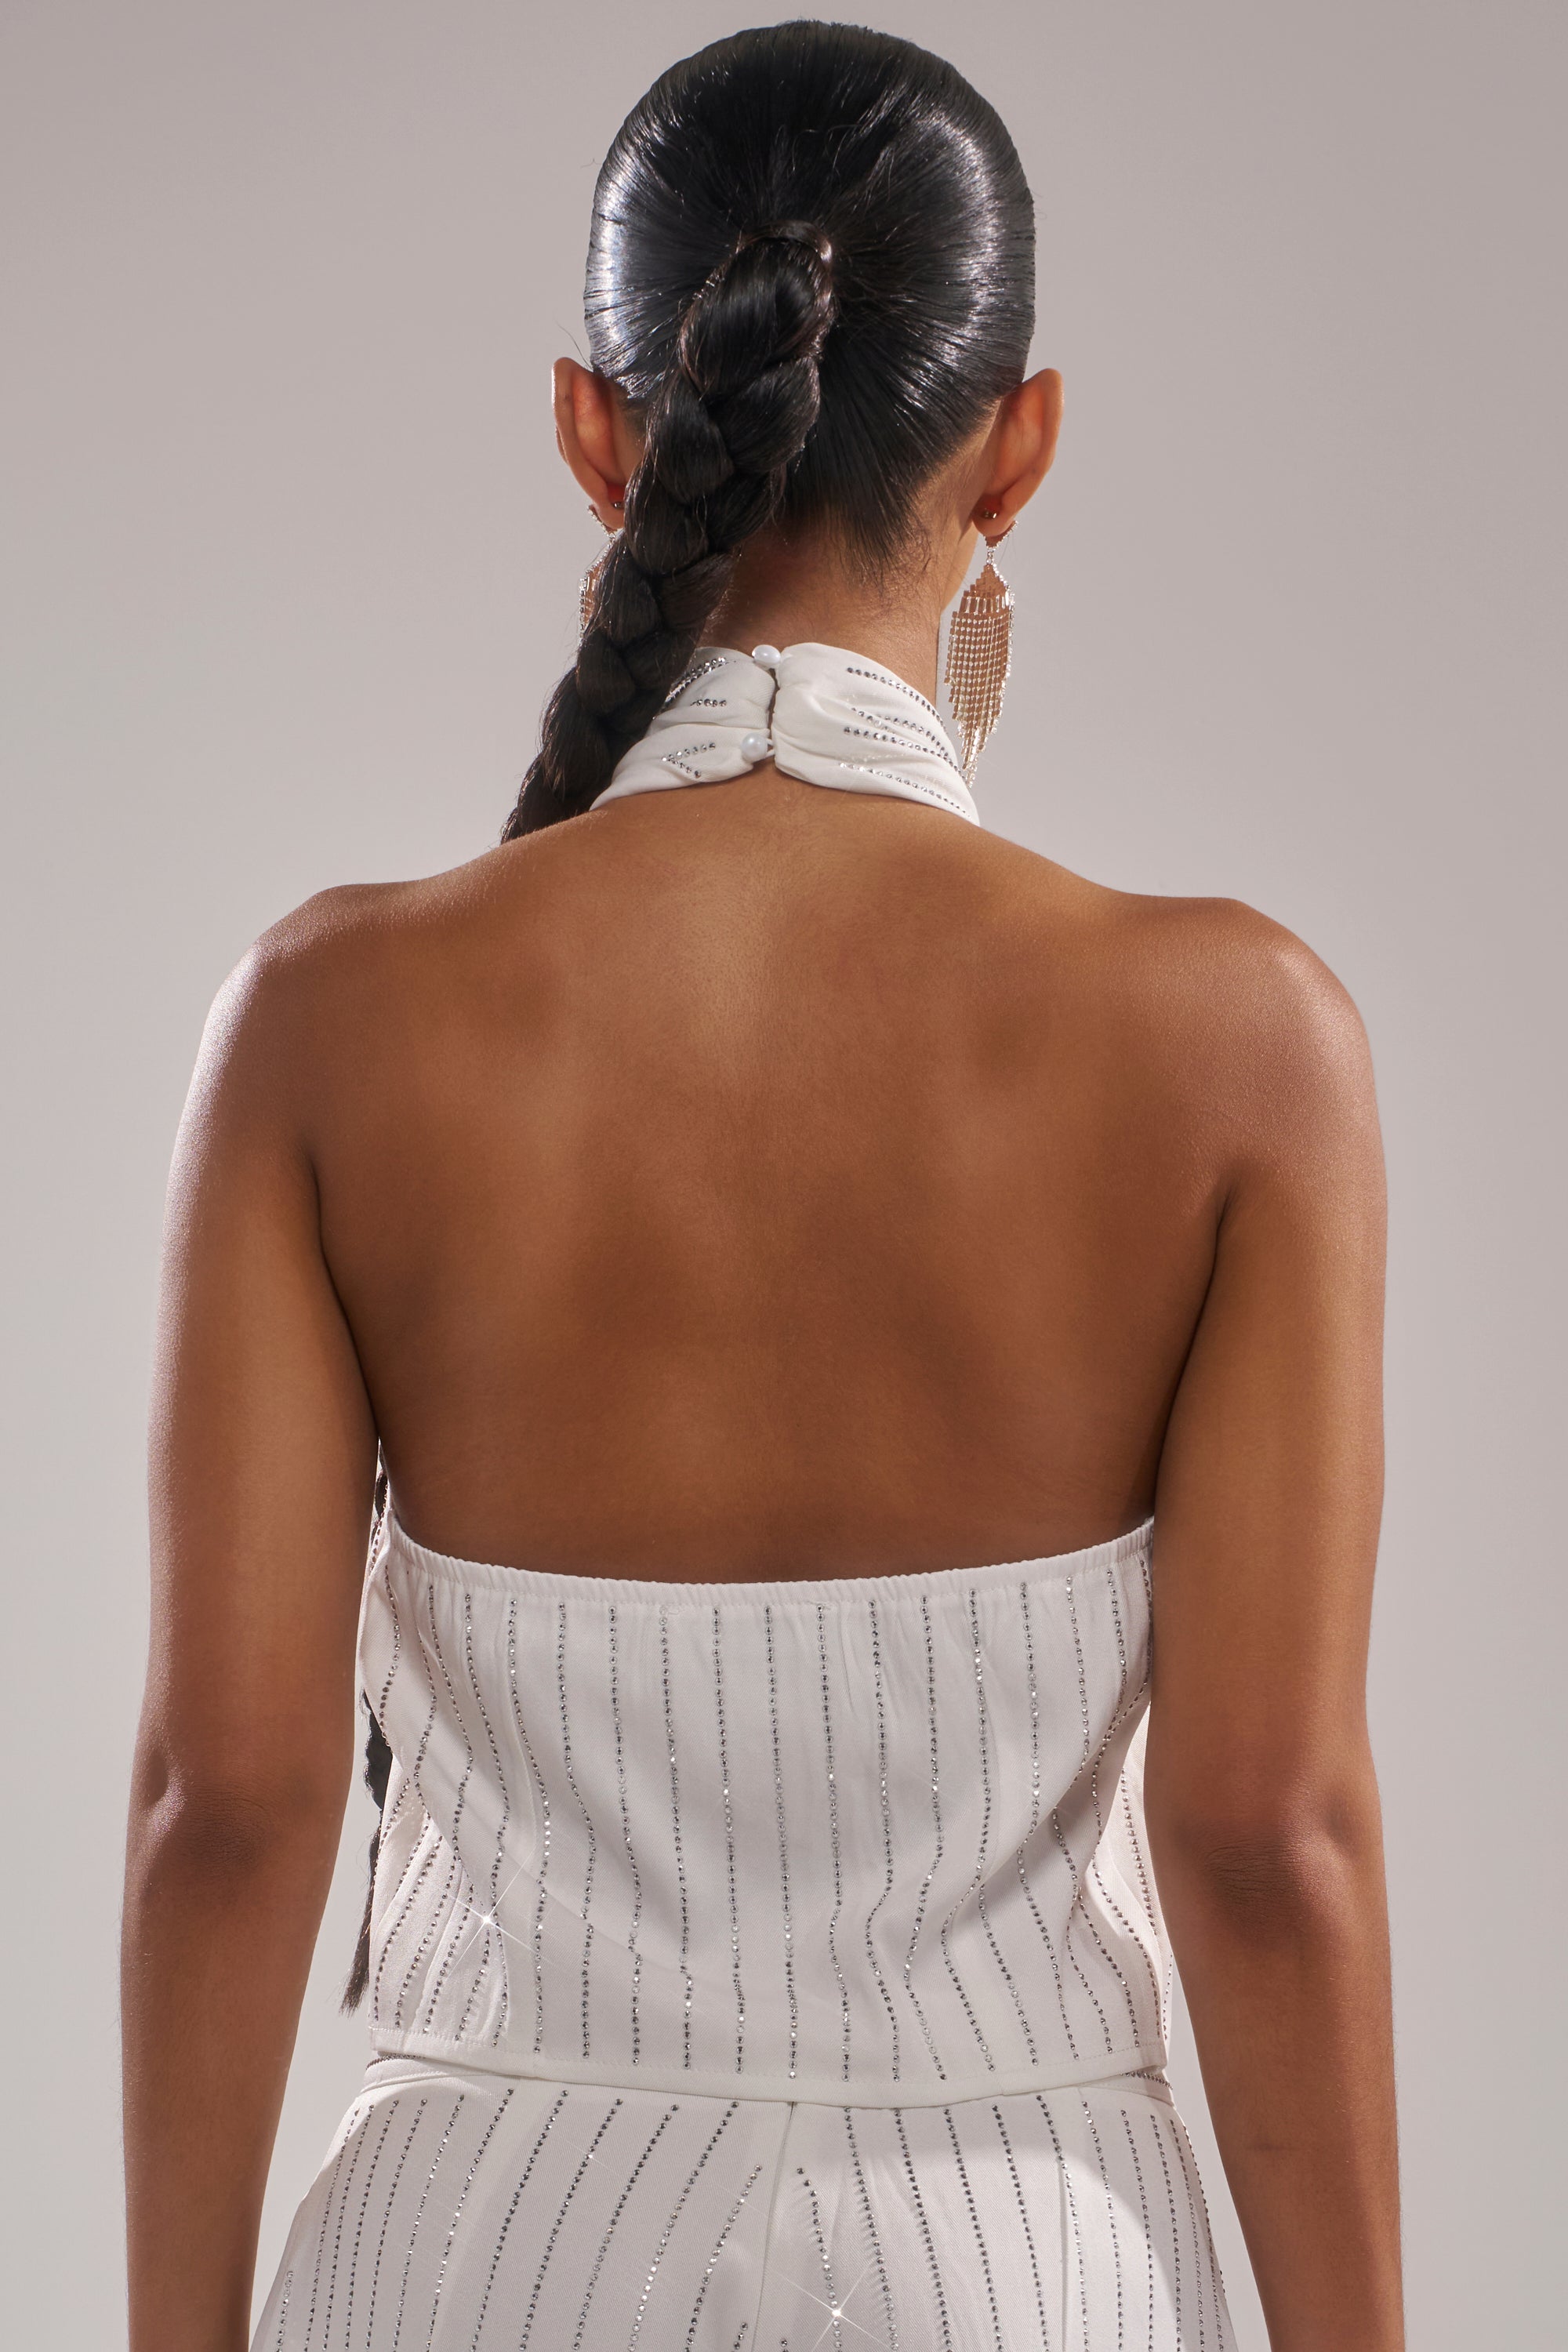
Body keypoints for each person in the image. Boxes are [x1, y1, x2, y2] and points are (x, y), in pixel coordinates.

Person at [122, 23, 1401, 2351]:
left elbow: (227, 1804)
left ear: (593, 428)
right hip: (1026, 2260)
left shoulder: (328, 1022)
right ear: (1019, 444)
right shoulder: (1241, 1044)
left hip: (468, 2256)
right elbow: (1266, 1838)